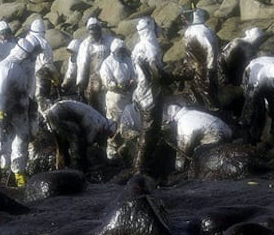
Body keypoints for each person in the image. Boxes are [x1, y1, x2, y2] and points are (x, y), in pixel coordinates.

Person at [0, 38, 41, 187]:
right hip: (5, 111)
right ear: (24, 54)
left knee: (20, 139)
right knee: (2, 141)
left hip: (18, 110)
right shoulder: (7, 68)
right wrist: (0, 114)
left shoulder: (17, 67)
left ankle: (16, 173)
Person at [43, 99, 117, 172]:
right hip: (61, 113)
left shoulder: (98, 118)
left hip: (53, 112)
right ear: (107, 129)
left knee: (63, 147)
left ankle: (62, 167)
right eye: (109, 135)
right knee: (78, 141)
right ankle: (78, 169)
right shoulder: (98, 123)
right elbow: (88, 140)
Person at [131, 16, 164, 175]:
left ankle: (141, 165)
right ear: (151, 29)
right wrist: (180, 77)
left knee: (146, 129)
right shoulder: (151, 48)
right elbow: (157, 75)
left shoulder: (137, 47)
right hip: (151, 94)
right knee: (149, 131)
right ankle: (139, 169)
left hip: (140, 92)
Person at [165, 104, 233, 172]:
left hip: (215, 135)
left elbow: (183, 145)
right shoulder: (193, 112)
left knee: (198, 154)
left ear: (172, 117)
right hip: (227, 131)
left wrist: (179, 167)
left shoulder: (183, 122)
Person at [100, 38, 135, 162]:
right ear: (113, 51)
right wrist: (116, 86)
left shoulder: (128, 60)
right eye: (118, 51)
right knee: (113, 123)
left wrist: (131, 82)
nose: (120, 53)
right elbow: (106, 80)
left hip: (128, 96)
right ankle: (111, 151)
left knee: (126, 123)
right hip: (114, 98)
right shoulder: (107, 63)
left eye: (122, 51)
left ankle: (125, 148)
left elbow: (134, 74)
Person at [183, 8, 219, 110]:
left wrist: (210, 68)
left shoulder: (193, 31)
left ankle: (204, 110)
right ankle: (209, 111)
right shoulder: (203, 30)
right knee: (205, 92)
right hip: (200, 68)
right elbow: (211, 49)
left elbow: (209, 49)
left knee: (201, 91)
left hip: (197, 68)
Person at [76, 17, 115, 114]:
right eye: (92, 31)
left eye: (96, 30)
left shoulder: (109, 41)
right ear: (88, 31)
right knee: (94, 106)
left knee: (109, 104)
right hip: (93, 80)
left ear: (100, 29)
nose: (94, 34)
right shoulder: (85, 45)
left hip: (109, 78)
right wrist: (80, 84)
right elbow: (82, 65)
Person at [25, 18, 61, 114]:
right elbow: (48, 64)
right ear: (43, 31)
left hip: (25, 76)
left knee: (29, 102)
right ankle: (48, 121)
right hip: (41, 76)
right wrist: (56, 78)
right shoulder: (44, 44)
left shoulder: (25, 41)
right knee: (42, 100)